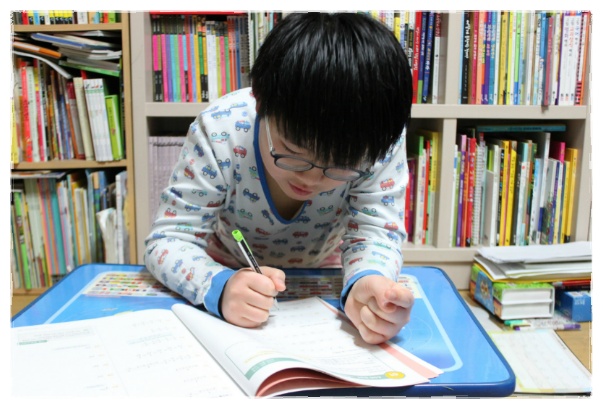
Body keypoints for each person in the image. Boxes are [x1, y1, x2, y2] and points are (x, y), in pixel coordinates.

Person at [144, 12, 414, 344]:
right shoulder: (220, 129)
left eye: (341, 166)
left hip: (324, 277)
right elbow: (169, 240)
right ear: (259, 101)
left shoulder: (377, 140)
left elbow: (376, 232)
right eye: (293, 152)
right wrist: (219, 286)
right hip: (226, 267)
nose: (311, 180)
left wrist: (367, 281)